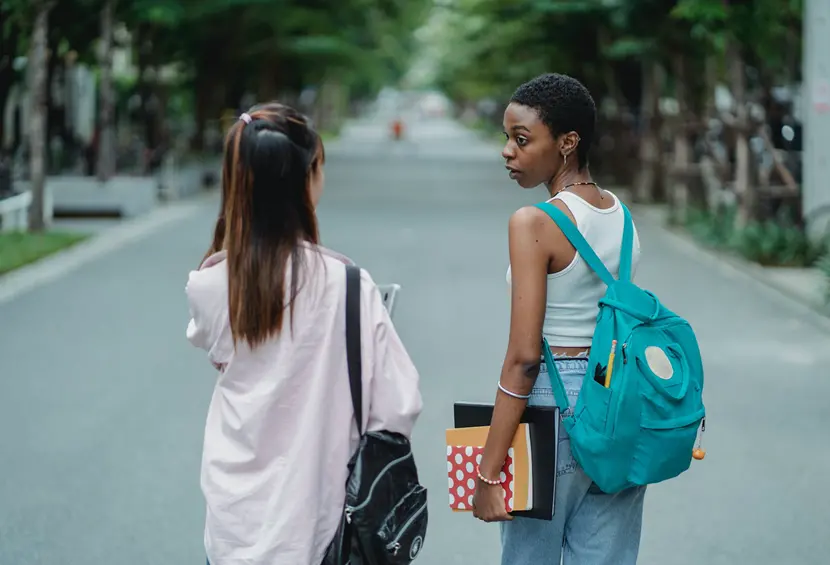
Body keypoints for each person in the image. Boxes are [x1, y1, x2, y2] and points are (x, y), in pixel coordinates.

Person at [185, 102, 423, 565]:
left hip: (234, 520)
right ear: (306, 179)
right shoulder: (348, 286)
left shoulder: (212, 284)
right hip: (320, 518)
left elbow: (214, 344)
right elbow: (398, 405)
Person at [471, 73, 644, 564]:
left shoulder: (534, 222)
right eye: (507, 136)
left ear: (568, 143)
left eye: (522, 139)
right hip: (618, 397)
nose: (507, 150)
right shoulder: (622, 215)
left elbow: (525, 358)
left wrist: (487, 473)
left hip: (555, 400)